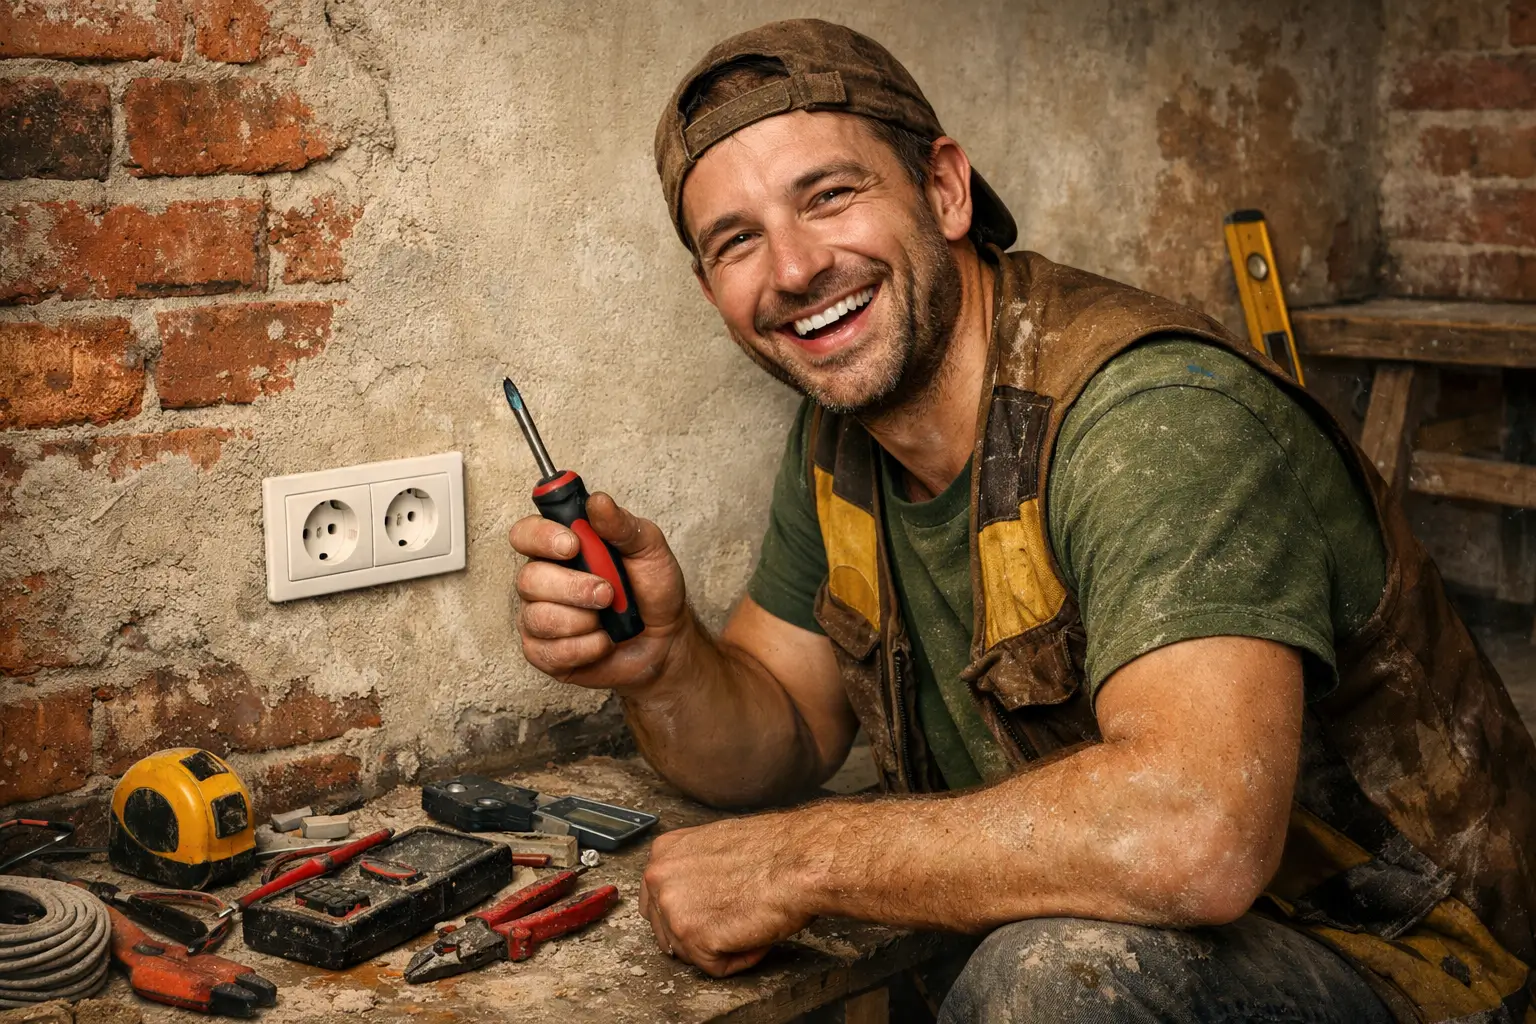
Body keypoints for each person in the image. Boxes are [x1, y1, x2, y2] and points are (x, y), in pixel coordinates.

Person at [509, 19, 1536, 1021]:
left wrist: (800, 860)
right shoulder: (843, 437)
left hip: (1408, 966)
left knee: (1057, 979)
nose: (791, 269)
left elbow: (1197, 829)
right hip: (1158, 924)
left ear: (945, 189)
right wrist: (665, 661)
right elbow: (780, 733)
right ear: (710, 288)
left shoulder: (1153, 415)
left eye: (828, 195)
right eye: (738, 242)